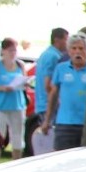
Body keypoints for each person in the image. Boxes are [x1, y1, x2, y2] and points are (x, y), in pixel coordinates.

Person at [42, 32, 86, 151]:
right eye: (74, 48)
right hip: (65, 123)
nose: (77, 52)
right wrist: (47, 120)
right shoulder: (61, 68)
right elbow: (53, 95)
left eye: (81, 48)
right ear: (69, 51)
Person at [28, 27, 69, 157]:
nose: (67, 44)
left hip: (42, 102)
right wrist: (56, 99)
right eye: (66, 39)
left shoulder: (45, 53)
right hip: (48, 104)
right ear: (57, 39)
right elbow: (49, 84)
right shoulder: (54, 56)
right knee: (51, 143)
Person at [0, 37, 27, 160]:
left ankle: (16, 162)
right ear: (4, 51)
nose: (13, 53)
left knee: (17, 136)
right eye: (10, 50)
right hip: (0, 106)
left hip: (17, 104)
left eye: (15, 51)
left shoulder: (20, 65)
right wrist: (1, 88)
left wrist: (25, 83)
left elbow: (24, 81)